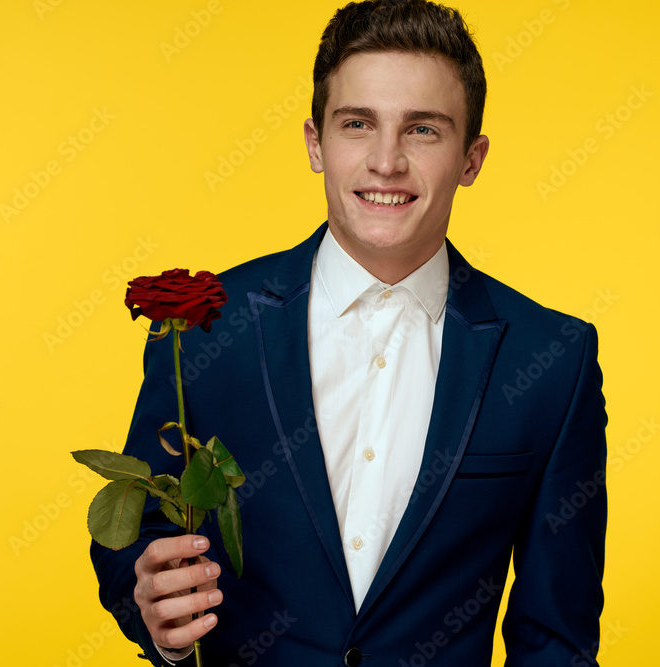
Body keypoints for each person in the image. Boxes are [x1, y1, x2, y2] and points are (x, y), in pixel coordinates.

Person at [90, 1, 607, 665]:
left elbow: (555, 635)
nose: (385, 161)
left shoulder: (552, 361)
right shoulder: (203, 325)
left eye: (422, 130)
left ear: (472, 158)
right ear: (315, 142)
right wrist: (152, 610)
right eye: (358, 124)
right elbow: (133, 537)